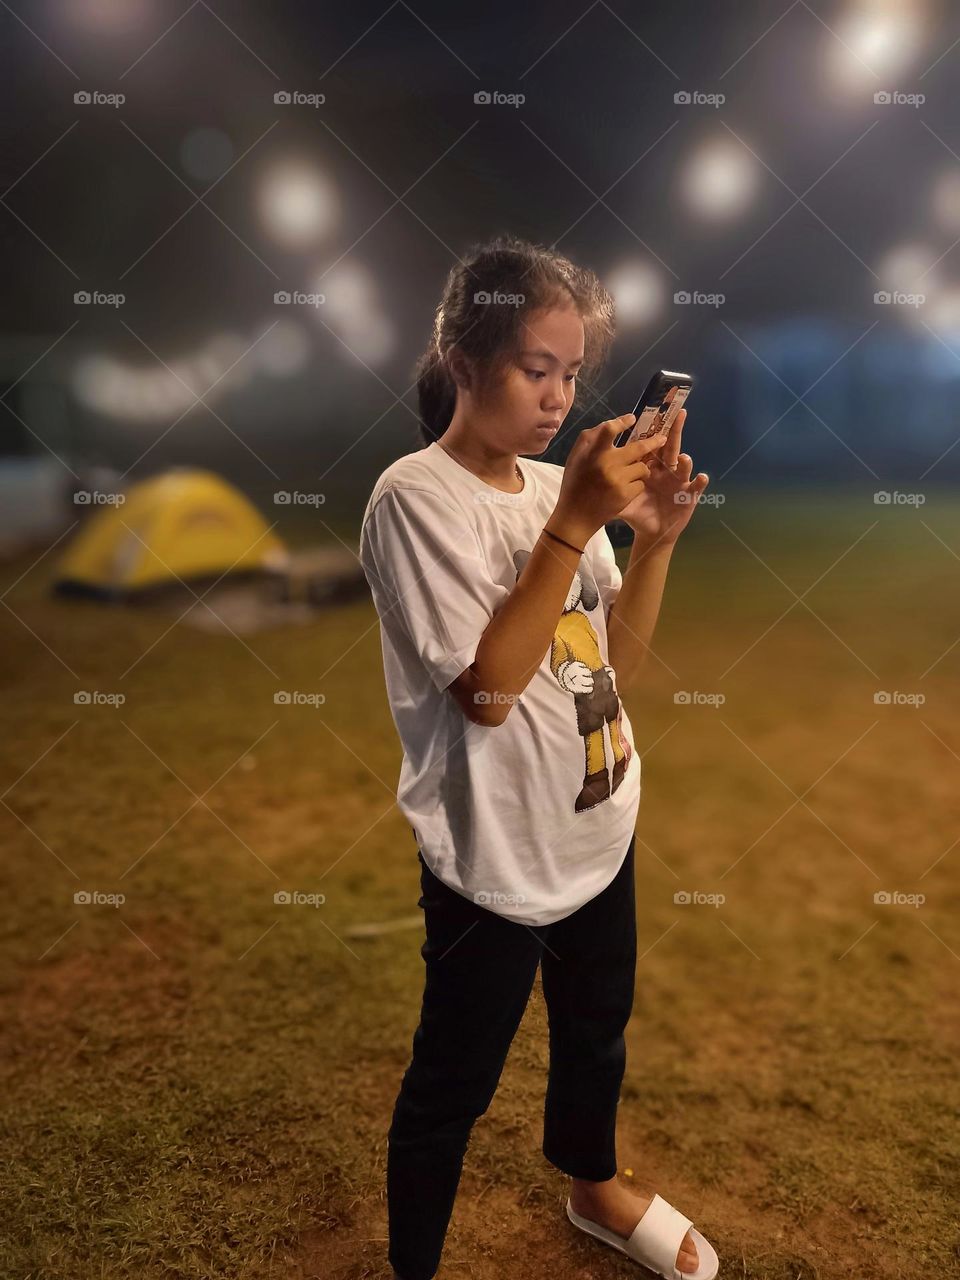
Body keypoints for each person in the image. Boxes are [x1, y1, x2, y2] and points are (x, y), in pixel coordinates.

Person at [358, 234, 715, 1280]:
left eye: (570, 372)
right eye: (533, 368)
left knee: (597, 1026)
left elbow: (616, 672)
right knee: (453, 1080)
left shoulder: (566, 492)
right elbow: (485, 693)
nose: (559, 398)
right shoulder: (415, 498)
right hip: (494, 855)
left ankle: (593, 1183)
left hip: (599, 815)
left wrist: (652, 542)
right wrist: (574, 519)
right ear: (464, 361)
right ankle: (414, 1264)